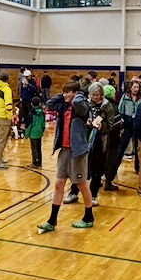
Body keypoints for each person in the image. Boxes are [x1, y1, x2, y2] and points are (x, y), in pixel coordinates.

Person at [39, 80, 96, 231]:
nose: (65, 94)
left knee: (82, 184)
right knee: (58, 184)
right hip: (64, 150)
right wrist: (63, 94)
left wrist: (78, 95)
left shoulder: (81, 107)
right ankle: (52, 221)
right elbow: (50, 103)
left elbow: (78, 104)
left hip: (77, 151)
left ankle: (89, 216)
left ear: (76, 93)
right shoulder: (63, 106)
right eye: (64, 91)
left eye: (68, 92)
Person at [84, 81, 118, 204]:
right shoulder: (86, 104)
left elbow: (110, 125)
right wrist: (86, 122)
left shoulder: (107, 106)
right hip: (85, 139)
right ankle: (74, 192)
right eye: (93, 95)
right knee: (82, 167)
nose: (95, 97)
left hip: (100, 140)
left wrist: (101, 127)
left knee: (97, 168)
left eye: (97, 94)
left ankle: (93, 195)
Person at [116, 78, 141, 167]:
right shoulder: (125, 97)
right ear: (130, 88)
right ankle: (115, 167)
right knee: (122, 147)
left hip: (138, 125)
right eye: (134, 87)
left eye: (137, 87)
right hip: (127, 124)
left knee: (137, 148)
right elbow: (120, 110)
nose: (136, 89)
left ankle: (137, 167)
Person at [23, 95, 45, 168]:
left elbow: (29, 125)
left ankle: (35, 163)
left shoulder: (31, 113)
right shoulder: (42, 112)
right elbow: (43, 123)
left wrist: (26, 134)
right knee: (39, 148)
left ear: (32, 104)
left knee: (34, 149)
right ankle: (39, 163)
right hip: (39, 133)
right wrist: (42, 130)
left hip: (33, 133)